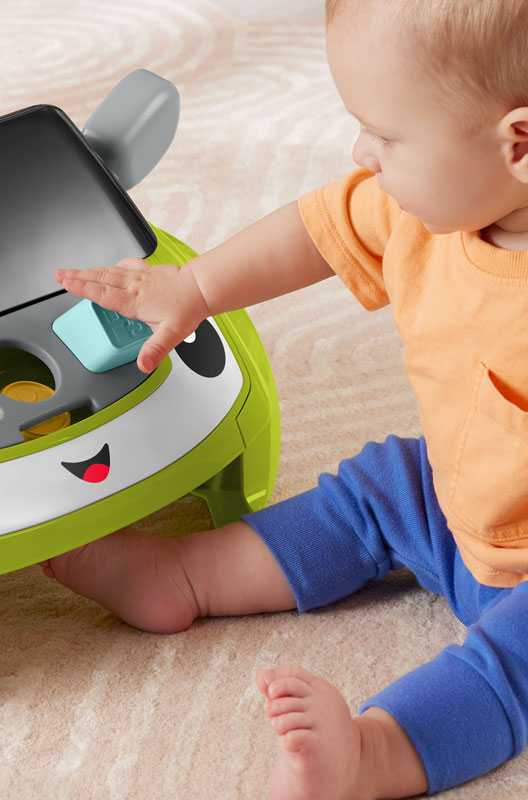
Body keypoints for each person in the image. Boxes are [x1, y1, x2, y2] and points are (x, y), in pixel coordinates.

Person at [42, 1, 528, 796]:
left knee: (514, 664)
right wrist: (194, 287)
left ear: (521, 143)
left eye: (386, 136)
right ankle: (186, 576)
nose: (361, 153)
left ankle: (372, 753)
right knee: (382, 487)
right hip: (462, 506)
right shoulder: (426, 206)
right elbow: (316, 230)